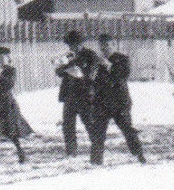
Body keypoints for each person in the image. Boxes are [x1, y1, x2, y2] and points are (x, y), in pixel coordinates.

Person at [90, 34, 144, 165]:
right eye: (102, 46)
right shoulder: (97, 62)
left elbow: (123, 75)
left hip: (119, 101)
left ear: (113, 44)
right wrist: (92, 74)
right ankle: (96, 161)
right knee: (98, 132)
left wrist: (108, 65)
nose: (104, 49)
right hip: (102, 101)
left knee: (127, 129)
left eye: (107, 45)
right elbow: (93, 80)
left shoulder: (122, 59)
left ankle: (139, 155)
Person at [55, 29, 98, 157]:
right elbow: (58, 71)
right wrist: (66, 68)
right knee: (68, 125)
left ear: (80, 43)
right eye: (70, 45)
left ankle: (96, 148)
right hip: (69, 94)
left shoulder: (90, 55)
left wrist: (80, 73)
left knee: (89, 123)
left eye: (74, 44)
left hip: (84, 94)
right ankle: (71, 151)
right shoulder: (69, 56)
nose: (72, 47)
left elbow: (92, 73)